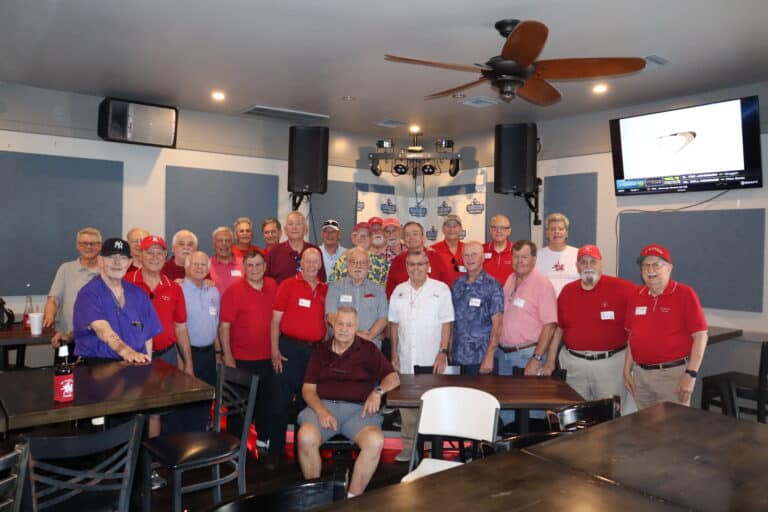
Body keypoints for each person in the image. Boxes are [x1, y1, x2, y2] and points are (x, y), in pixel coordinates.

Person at [297, 306, 399, 497]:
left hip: (358, 412)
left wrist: (377, 392)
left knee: (375, 441)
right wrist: (321, 411)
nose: (344, 329)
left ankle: (352, 499)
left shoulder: (368, 349)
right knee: (305, 437)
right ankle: (315, 498)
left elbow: (393, 378)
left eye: (349, 325)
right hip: (323, 408)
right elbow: (308, 390)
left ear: (357, 327)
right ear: (332, 325)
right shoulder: (320, 350)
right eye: (340, 324)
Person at [544, 245, 637, 414]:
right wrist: (550, 360)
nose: (588, 266)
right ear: (577, 266)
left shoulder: (623, 289)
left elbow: (635, 328)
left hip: (610, 366)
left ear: (601, 264)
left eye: (593, 262)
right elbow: (559, 329)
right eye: (583, 262)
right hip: (574, 366)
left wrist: (628, 366)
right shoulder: (567, 291)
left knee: (611, 416)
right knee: (577, 416)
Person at [623, 244, 708, 409]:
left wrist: (691, 374)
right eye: (645, 265)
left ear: (669, 268)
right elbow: (632, 336)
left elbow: (700, 336)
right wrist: (627, 369)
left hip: (672, 376)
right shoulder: (635, 295)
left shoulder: (685, 293)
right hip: (640, 376)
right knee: (644, 428)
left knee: (673, 430)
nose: (650, 269)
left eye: (656, 264)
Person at [389, 251, 454, 461]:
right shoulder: (399, 291)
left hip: (431, 358)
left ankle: (429, 449)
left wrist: (443, 352)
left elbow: (447, 323)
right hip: (406, 357)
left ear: (428, 266)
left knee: (430, 404)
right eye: (411, 264)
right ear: (406, 267)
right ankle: (408, 446)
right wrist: (394, 354)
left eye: (420, 264)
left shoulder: (440, 289)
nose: (415, 268)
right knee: (407, 406)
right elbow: (394, 325)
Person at [268, 247, 328, 467]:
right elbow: (275, 321)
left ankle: (303, 451)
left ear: (320, 264)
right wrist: (274, 350)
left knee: (307, 404)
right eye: (307, 261)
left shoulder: (325, 289)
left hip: (315, 353)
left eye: (315, 261)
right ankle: (275, 452)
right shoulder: (288, 285)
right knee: (281, 402)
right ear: (301, 263)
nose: (311, 265)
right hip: (288, 350)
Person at [220, 249, 278, 450]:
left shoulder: (273, 285)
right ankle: (233, 448)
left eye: (258, 265)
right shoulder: (233, 291)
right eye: (250, 265)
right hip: (241, 360)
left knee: (265, 404)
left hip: (267, 359)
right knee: (238, 408)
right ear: (244, 268)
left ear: (265, 267)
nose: (254, 269)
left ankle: (262, 443)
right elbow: (225, 326)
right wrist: (227, 357)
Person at [73, 238, 158, 364]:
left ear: (130, 262)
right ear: (100, 260)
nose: (117, 263)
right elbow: (103, 331)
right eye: (111, 257)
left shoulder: (138, 294)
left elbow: (148, 338)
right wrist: (127, 352)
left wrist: (146, 365)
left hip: (135, 366)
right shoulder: (89, 294)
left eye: (123, 258)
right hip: (98, 368)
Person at [125, 236, 194, 375]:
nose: (154, 257)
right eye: (150, 252)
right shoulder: (125, 282)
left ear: (165, 256)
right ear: (140, 254)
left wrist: (188, 363)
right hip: (132, 356)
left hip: (167, 356)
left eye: (159, 253)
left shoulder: (174, 288)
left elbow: (180, 328)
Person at [44, 227, 102, 351]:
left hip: (99, 340)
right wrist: (49, 317)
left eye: (93, 243)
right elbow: (53, 299)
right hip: (67, 340)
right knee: (65, 370)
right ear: (77, 246)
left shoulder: (108, 272)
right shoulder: (65, 269)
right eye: (84, 243)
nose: (88, 247)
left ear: (100, 246)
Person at [451, 241, 504, 375]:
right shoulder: (457, 284)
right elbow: (452, 321)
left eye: (474, 255)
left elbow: (497, 324)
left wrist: (489, 356)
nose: (470, 259)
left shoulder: (492, 285)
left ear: (482, 258)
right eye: (466, 255)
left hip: (481, 359)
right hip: (457, 357)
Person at [326, 247, 388, 349]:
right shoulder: (335, 287)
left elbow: (383, 318)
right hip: (341, 346)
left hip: (370, 346)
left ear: (369, 266)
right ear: (347, 265)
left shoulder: (379, 290)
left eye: (363, 263)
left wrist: (369, 337)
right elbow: (331, 317)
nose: (358, 266)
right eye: (353, 262)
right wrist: (357, 335)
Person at [180, 251, 221, 387]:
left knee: (209, 399)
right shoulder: (178, 291)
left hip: (209, 355)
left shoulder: (214, 291)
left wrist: (218, 353)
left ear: (208, 269)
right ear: (186, 267)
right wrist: (185, 361)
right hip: (186, 355)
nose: (199, 268)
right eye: (195, 264)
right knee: (188, 401)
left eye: (203, 264)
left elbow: (215, 324)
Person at [385, 222, 452, 298]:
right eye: (407, 235)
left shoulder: (436, 258)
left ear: (423, 238)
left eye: (415, 234)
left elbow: (446, 288)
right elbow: (390, 293)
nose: (411, 238)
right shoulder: (397, 261)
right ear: (403, 239)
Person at [266, 211, 326, 284]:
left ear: (305, 229)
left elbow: (322, 279)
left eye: (298, 224)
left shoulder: (315, 251)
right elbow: (267, 281)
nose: (294, 228)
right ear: (285, 230)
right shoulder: (275, 251)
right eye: (291, 224)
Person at [535, 213, 579, 297]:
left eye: (561, 229)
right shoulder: (536, 256)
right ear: (547, 233)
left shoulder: (578, 254)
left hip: (573, 305)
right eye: (552, 229)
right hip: (545, 305)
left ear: (566, 233)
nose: (557, 232)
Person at [209, 226, 244, 295]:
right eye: (220, 241)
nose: (224, 244)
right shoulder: (206, 265)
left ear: (232, 244)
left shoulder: (244, 264)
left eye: (227, 241)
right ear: (214, 245)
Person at [431, 214, 465, 282]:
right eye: (448, 226)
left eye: (455, 226)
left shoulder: (467, 249)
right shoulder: (433, 250)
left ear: (461, 229)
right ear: (443, 229)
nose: (451, 229)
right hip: (441, 291)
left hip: (464, 291)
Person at [483, 215, 513, 285]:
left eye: (502, 228)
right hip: (486, 295)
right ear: (490, 230)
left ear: (509, 231)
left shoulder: (517, 251)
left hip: (510, 295)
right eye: (495, 227)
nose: (498, 231)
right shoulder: (480, 250)